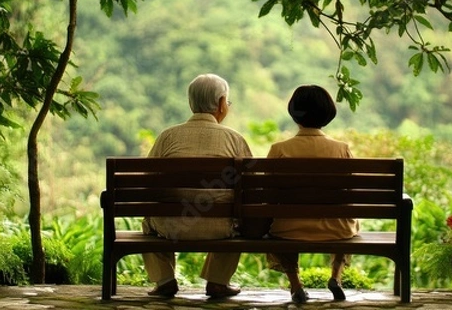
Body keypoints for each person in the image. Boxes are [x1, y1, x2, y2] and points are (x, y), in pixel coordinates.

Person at [141, 73, 252, 299]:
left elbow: (147, 182)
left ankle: (165, 280)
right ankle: (218, 281)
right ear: (221, 103)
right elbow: (251, 187)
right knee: (239, 216)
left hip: (171, 226)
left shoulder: (168, 137)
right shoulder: (235, 139)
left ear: (191, 103)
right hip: (220, 227)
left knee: (149, 220)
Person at [266, 84, 360, 303]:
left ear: (294, 113)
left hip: (289, 228)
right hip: (337, 230)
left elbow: (268, 194)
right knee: (350, 219)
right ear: (327, 114)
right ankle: (336, 276)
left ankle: (295, 284)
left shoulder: (279, 150)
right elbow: (350, 194)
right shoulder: (342, 149)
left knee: (281, 221)